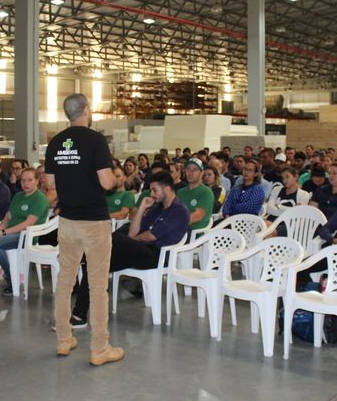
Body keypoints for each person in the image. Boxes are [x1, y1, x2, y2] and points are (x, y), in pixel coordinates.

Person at [44, 93, 123, 366]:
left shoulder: (56, 142)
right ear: (87, 110)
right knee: (98, 286)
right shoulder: (95, 140)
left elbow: (50, 183)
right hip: (94, 222)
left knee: (65, 281)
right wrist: (117, 179)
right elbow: (106, 182)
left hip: (67, 222)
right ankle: (100, 347)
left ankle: (64, 339)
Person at [71, 171, 189, 327]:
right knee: (96, 264)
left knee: (115, 239)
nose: (151, 194)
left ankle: (80, 255)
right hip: (141, 251)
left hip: (157, 256)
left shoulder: (179, 210)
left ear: (167, 189)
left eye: (154, 190)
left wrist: (130, 240)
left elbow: (151, 236)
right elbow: (133, 233)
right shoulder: (156, 209)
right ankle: (79, 316)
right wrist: (142, 208)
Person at [0, 167, 49, 297]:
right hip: (10, 233)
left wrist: (3, 233)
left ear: (37, 181)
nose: (26, 183)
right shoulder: (18, 196)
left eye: (30, 180)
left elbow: (27, 224)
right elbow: (7, 218)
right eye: (23, 180)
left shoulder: (40, 199)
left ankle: (10, 278)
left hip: (27, 236)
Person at [176, 158, 214, 232]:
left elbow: (197, 216)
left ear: (201, 173)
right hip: (178, 231)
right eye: (188, 169)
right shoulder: (180, 192)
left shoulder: (206, 192)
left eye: (195, 170)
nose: (190, 172)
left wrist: (172, 223)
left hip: (195, 234)